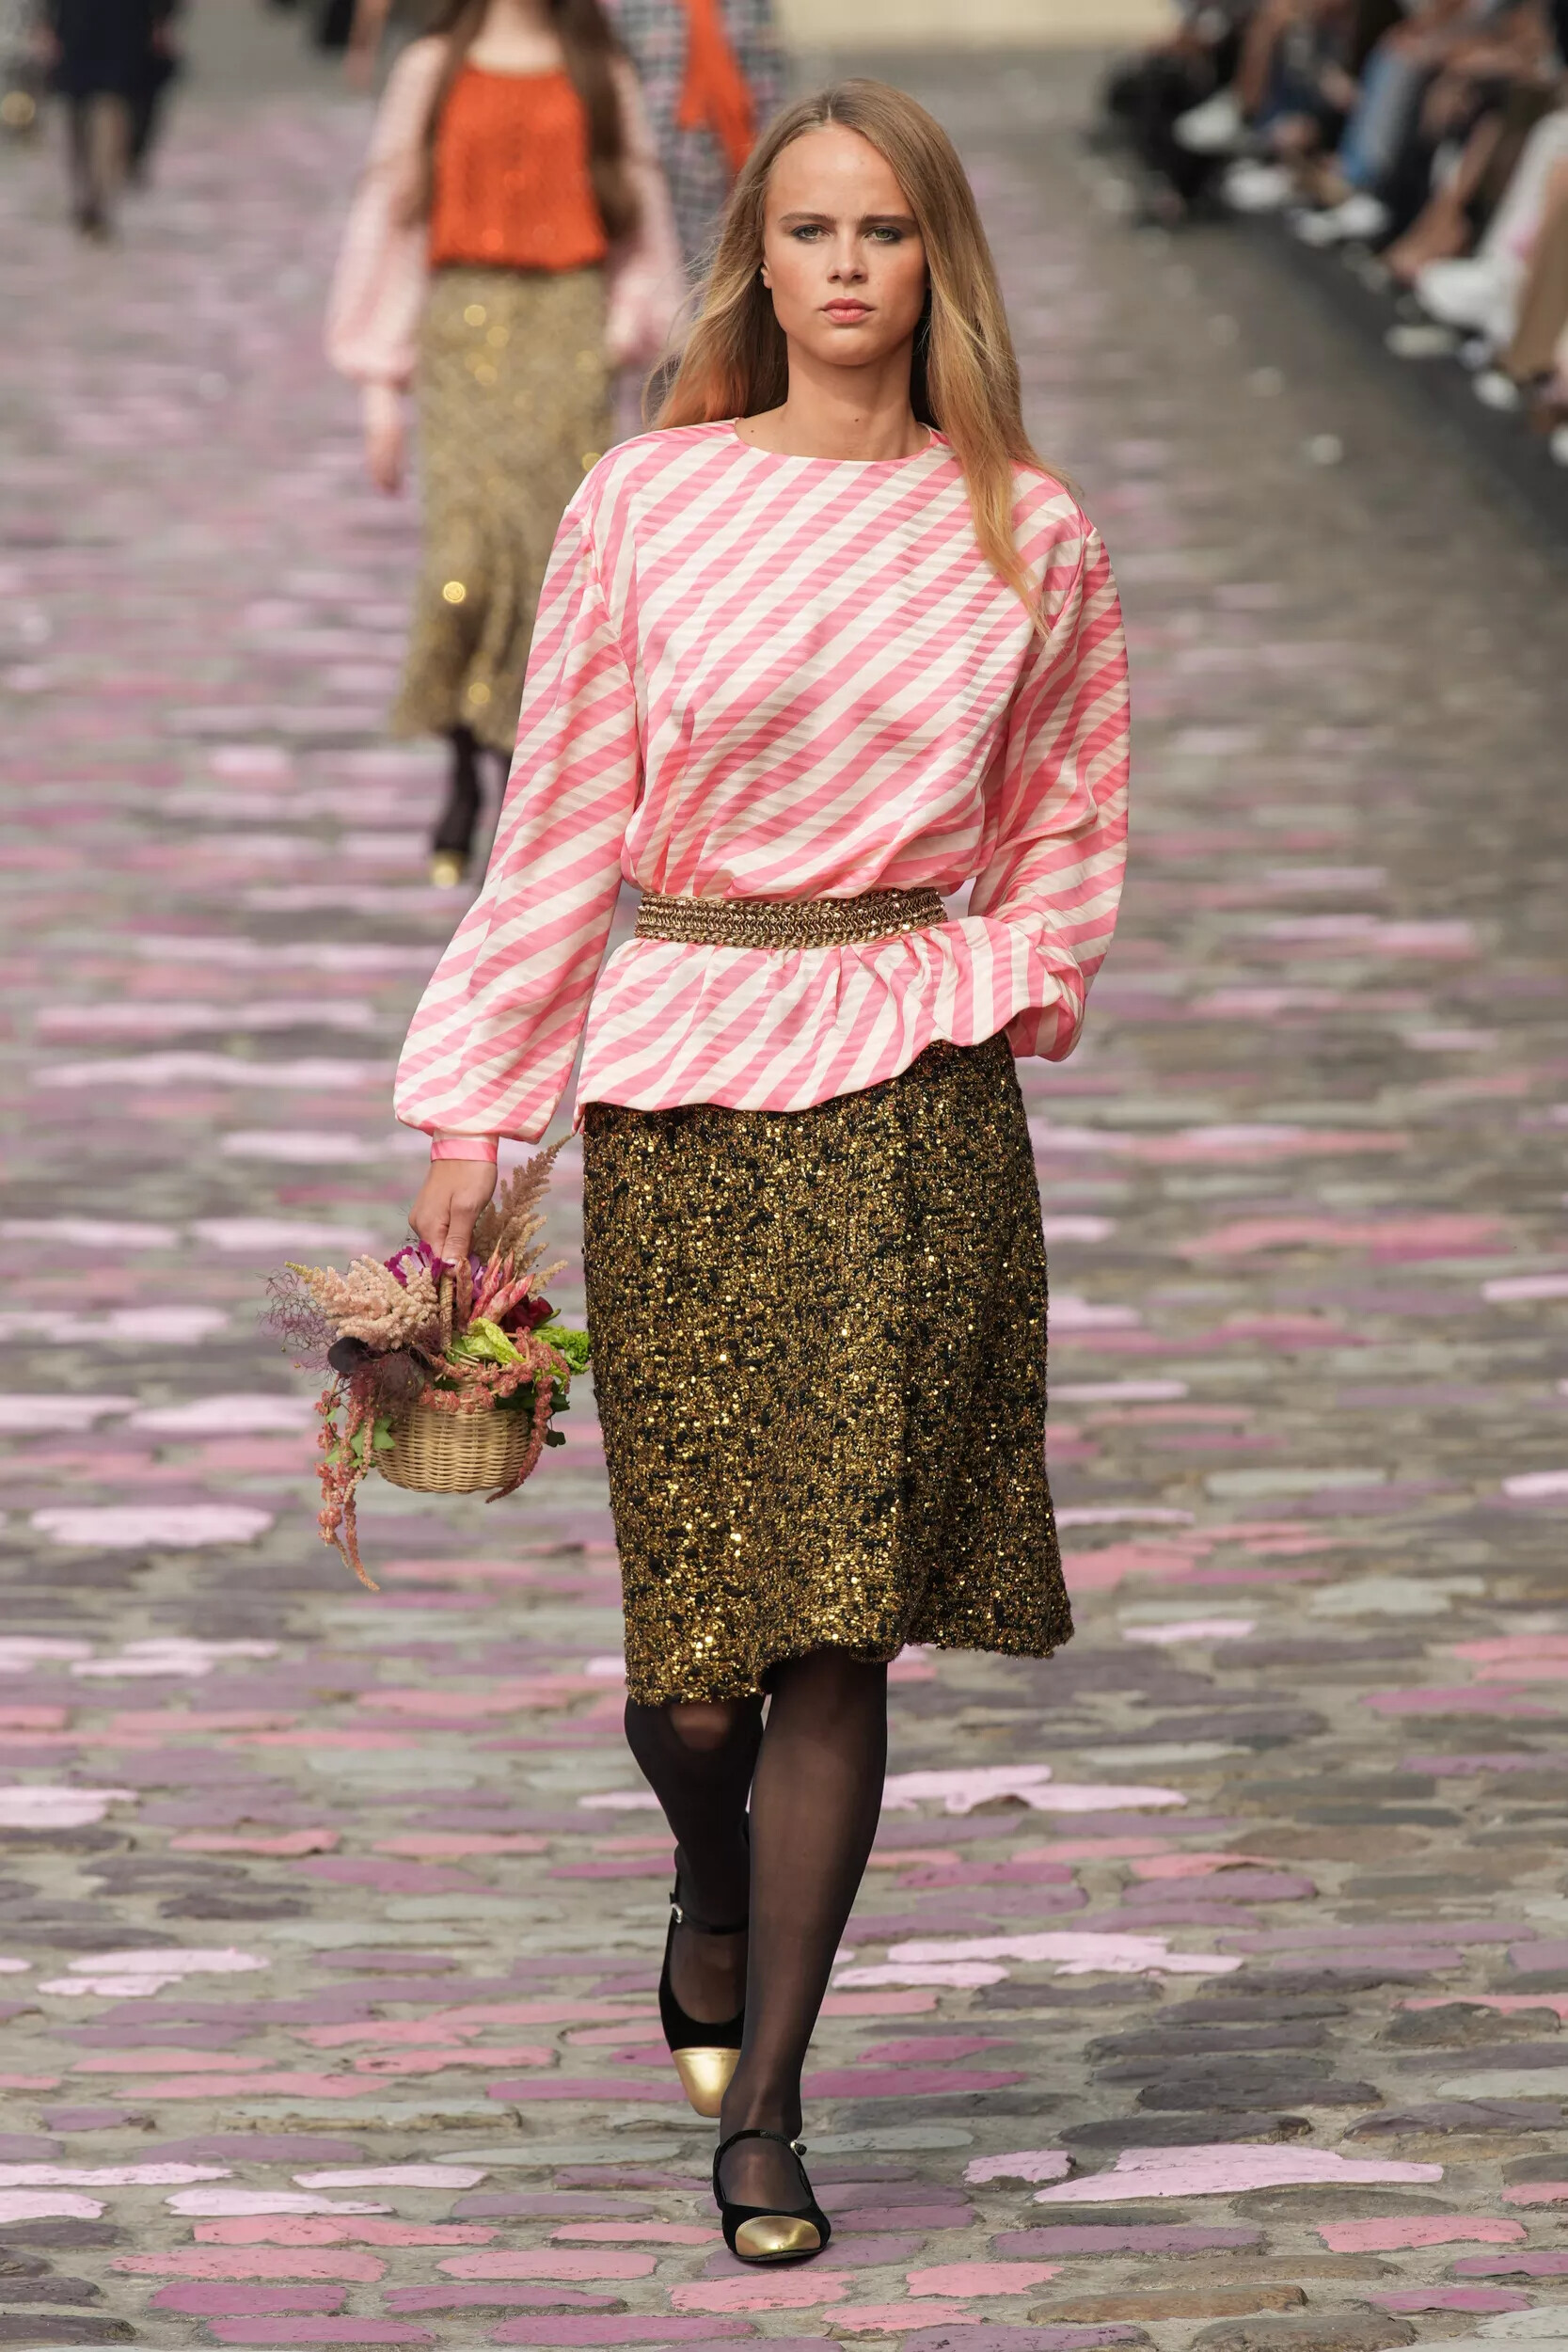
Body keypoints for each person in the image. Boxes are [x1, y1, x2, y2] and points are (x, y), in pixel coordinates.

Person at [396, 78, 1129, 2262]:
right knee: (697, 1662)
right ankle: (705, 1862)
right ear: (758, 260)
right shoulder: (650, 501)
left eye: (882, 231)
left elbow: (1069, 821)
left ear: (934, 261)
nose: (843, 266)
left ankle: (771, 2109)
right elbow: (561, 822)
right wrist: (475, 1117)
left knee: (838, 1630)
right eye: (808, 229)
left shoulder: (1026, 530)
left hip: (910, 1092)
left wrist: (996, 976)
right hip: (685, 1082)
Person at [325, 0, 683, 886]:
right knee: (462, 570)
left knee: (549, 579)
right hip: (461, 338)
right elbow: (391, 221)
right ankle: (463, 759)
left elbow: (641, 216)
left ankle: (522, 790)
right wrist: (379, 389)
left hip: (567, 338)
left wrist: (628, 329)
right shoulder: (432, 68)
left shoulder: (599, 71)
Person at [606, 0, 785, 270]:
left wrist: (775, 164)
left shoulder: (748, 6)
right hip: (654, 172)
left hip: (734, 166)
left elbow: (768, 88)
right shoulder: (619, 7)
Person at [44, 0, 176, 235]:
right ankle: (94, 192)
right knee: (90, 109)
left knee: (103, 106)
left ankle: (97, 194)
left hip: (114, 21)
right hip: (94, 20)